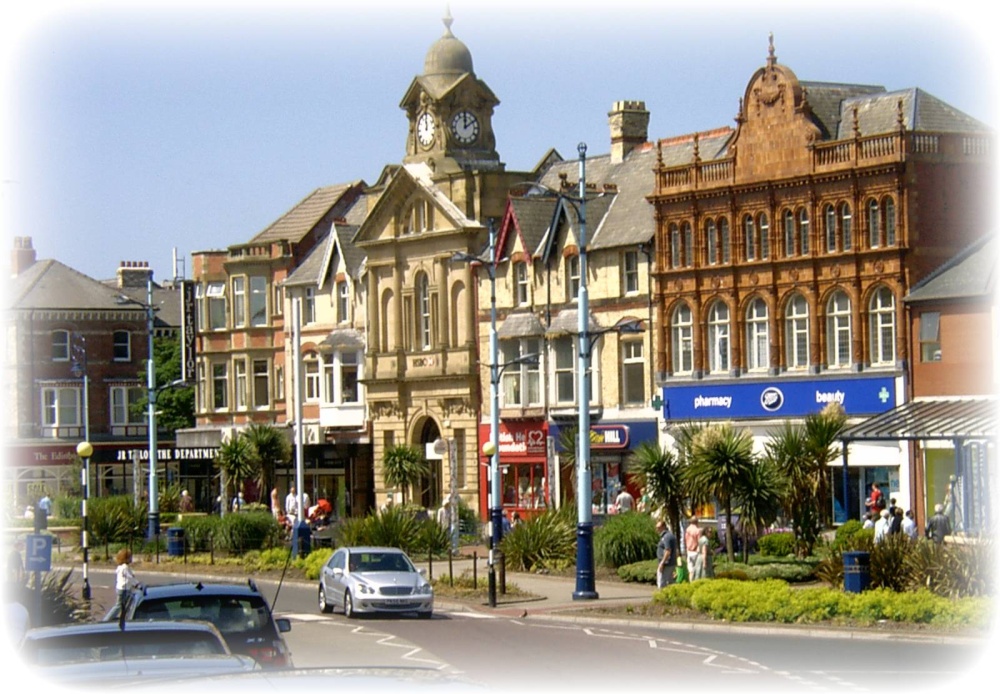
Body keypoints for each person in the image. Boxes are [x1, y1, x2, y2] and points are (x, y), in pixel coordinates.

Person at [115, 548, 139, 628]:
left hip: (121, 588)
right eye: (130, 557)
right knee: (119, 605)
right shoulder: (125, 567)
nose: (131, 558)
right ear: (126, 558)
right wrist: (137, 584)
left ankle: (123, 618)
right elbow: (130, 578)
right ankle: (108, 619)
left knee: (125, 605)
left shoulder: (120, 567)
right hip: (123, 589)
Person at [655, 520, 677, 589]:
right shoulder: (667, 536)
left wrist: (662, 563)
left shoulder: (667, 537)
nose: (657, 529)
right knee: (670, 582)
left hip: (666, 564)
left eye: (659, 527)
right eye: (656, 527)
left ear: (664, 527)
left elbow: (668, 551)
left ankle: (662, 597)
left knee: (662, 582)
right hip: (668, 563)